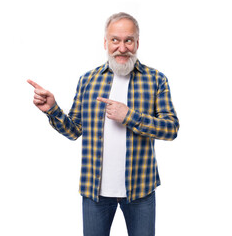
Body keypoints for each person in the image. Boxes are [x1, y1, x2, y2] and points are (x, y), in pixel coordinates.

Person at [27, 12, 179, 236]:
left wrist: (129, 116)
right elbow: (74, 130)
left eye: (128, 40)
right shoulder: (88, 80)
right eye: (115, 40)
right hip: (95, 190)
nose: (122, 47)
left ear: (137, 42)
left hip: (140, 190)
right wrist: (52, 109)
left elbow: (171, 128)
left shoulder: (156, 79)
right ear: (105, 43)